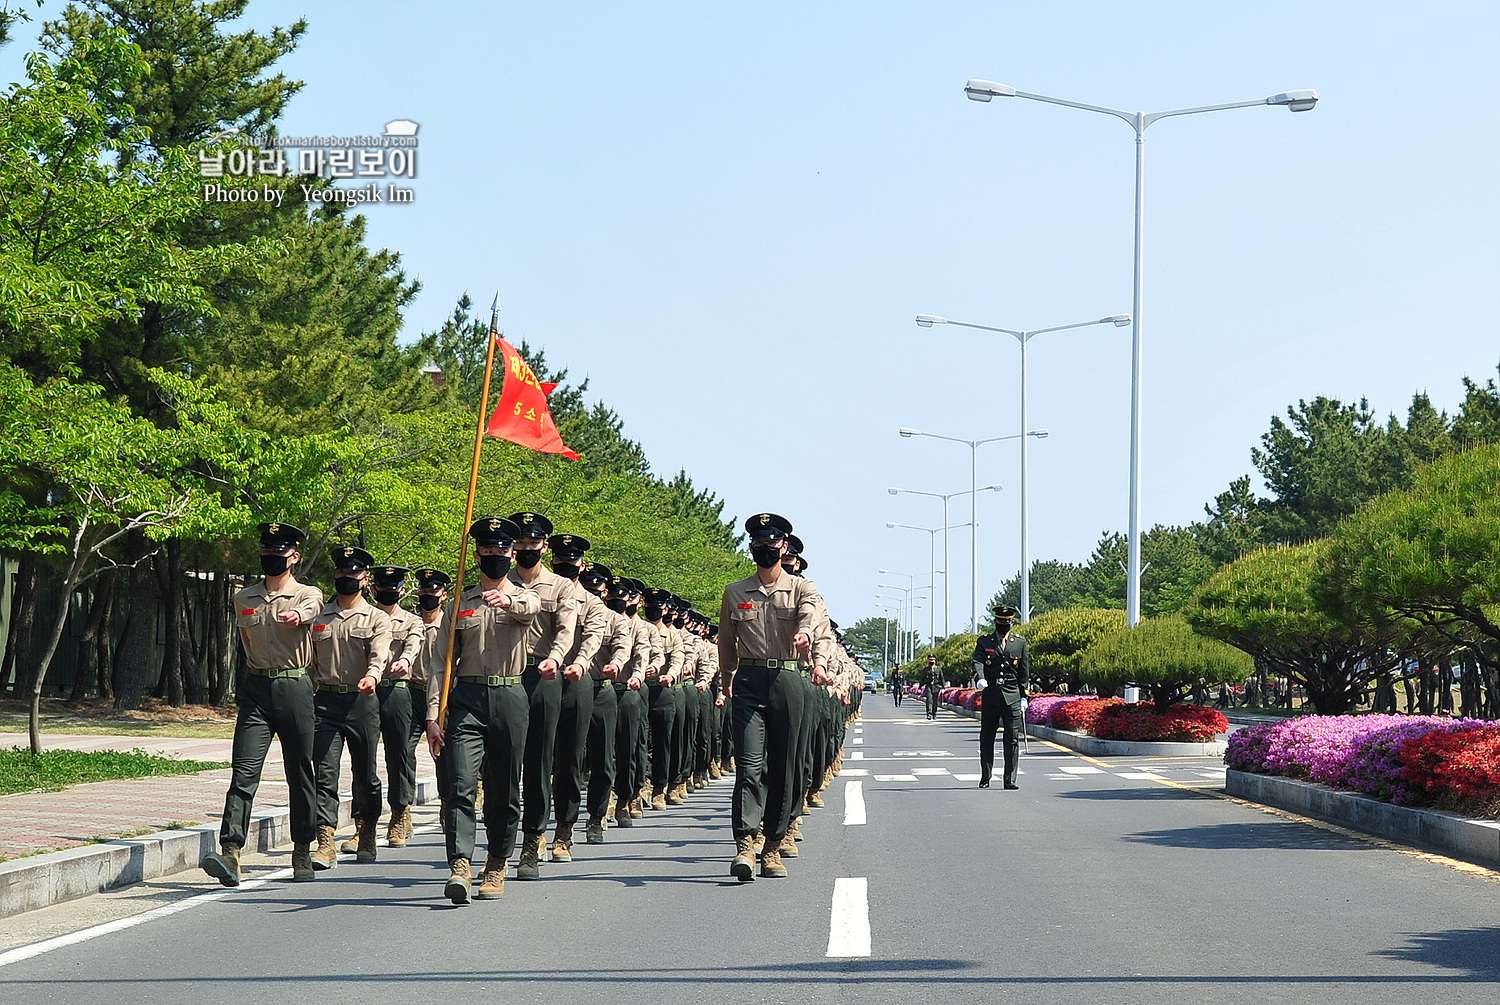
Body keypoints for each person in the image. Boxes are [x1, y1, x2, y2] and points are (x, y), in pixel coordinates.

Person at [425, 516, 541, 904]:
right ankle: (459, 864)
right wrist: (432, 715)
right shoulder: (460, 603)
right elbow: (441, 663)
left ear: (513, 554)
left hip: (509, 697)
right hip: (467, 701)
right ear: (476, 554)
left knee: (503, 789)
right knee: (459, 784)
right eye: (487, 550)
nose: (495, 556)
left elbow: (530, 606)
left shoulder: (525, 596)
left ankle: (496, 861)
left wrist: (506, 600)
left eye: (502, 550)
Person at [202, 522, 322, 887]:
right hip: (256, 690)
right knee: (243, 772)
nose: (272, 559)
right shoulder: (244, 598)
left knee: (299, 772)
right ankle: (231, 851)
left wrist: (298, 616)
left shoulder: (307, 593)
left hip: (294, 686)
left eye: (279, 554)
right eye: (266, 553)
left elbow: (313, 609)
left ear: (294, 557)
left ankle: (302, 847)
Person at [717, 512, 826, 881]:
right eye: (758, 543)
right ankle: (745, 844)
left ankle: (773, 845)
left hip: (787, 679)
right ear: (752, 547)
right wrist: (727, 680)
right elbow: (726, 642)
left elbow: (810, 614)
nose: (765, 549)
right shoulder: (735, 591)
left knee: (784, 767)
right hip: (748, 681)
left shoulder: (802, 588)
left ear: (784, 546)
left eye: (772, 543)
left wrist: (805, 634)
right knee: (749, 766)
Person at [506, 511, 581, 881]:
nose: (525, 549)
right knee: (501, 764)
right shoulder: (496, 582)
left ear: (544, 546)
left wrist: (555, 657)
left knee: (538, 763)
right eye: (518, 542)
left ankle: (532, 842)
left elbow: (566, 631)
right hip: (503, 677)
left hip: (541, 676)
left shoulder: (561, 587)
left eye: (532, 543)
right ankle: (499, 841)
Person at [308, 546, 392, 868]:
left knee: (365, 774)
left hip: (362, 700)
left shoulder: (377, 618)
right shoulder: (320, 618)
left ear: (365, 578)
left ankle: (366, 829)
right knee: (325, 773)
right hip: (326, 701)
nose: (347, 577)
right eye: (342, 572)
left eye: (354, 572)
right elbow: (311, 663)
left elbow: (379, 656)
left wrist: (372, 676)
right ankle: (325, 840)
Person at [546, 533, 609, 861]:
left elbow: (592, 639)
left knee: (570, 760)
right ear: (551, 559)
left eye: (572, 560)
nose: (565, 564)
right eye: (560, 559)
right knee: (538, 758)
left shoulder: (593, 603)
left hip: (575, 680)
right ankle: (534, 830)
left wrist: (580, 663)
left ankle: (564, 831)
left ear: (581, 564)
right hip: (541, 679)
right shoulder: (537, 592)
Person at [370, 565, 426, 849]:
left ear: (403, 590)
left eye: (394, 587)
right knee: (363, 757)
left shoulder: (412, 621)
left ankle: (399, 815)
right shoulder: (365, 617)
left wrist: (405, 660)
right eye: (383, 587)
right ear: (373, 588)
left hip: (397, 690)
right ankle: (363, 823)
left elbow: (413, 645)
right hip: (367, 690)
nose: (388, 591)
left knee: (399, 755)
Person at [973, 604, 1029, 790]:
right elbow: (978, 661)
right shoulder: (984, 642)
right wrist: (980, 678)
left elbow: (1024, 672)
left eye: (1007, 622)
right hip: (991, 695)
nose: (1003, 624)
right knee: (987, 737)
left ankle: (1009, 779)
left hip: (1012, 696)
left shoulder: (1019, 643)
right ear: (995, 621)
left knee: (1012, 739)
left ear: (1012, 623)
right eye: (1000, 621)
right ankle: (986, 776)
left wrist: (1024, 696)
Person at [923, 655, 942, 720]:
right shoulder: (926, 669)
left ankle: (934, 713)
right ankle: (929, 714)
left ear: (935, 661)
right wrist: (920, 686)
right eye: (930, 660)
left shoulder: (938, 668)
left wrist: (943, 685)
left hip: (936, 686)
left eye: (932, 660)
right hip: (929, 686)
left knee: (935, 701)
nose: (931, 661)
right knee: (929, 700)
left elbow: (941, 678)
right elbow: (922, 678)